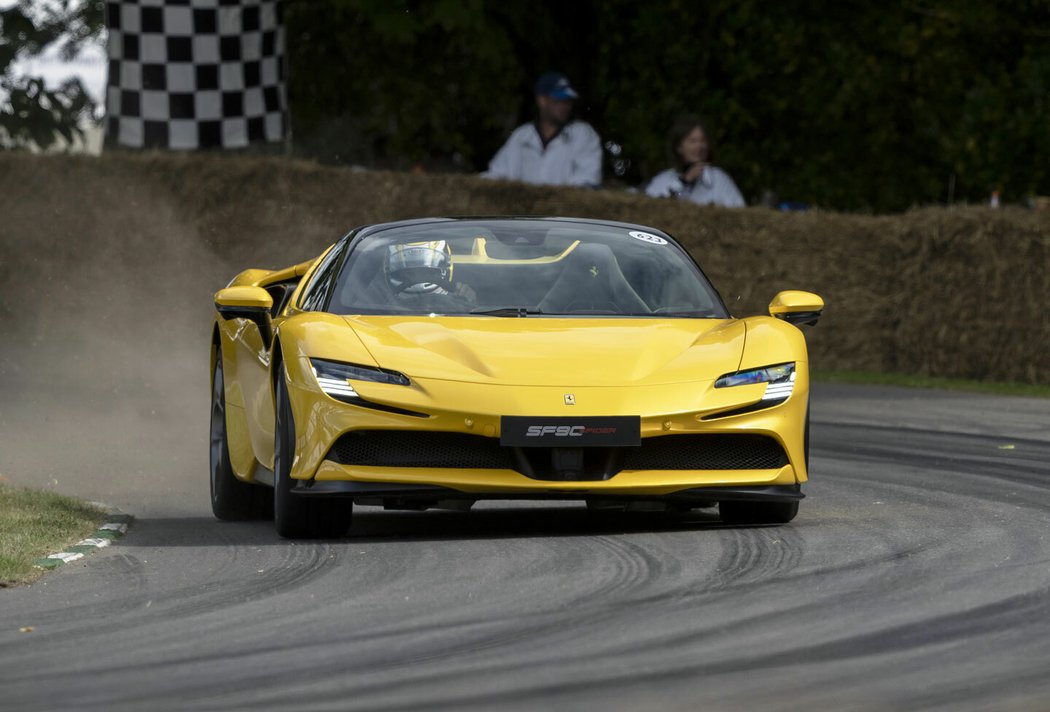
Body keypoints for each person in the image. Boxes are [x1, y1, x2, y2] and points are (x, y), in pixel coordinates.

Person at [482, 71, 602, 187]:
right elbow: (497, 174)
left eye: (568, 101)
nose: (565, 106)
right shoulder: (522, 135)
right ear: (542, 101)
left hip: (565, 207)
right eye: (559, 100)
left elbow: (587, 179)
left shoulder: (582, 134)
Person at [645, 116, 745, 207]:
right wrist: (684, 182)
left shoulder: (719, 179)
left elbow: (739, 210)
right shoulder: (664, 179)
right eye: (693, 141)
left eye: (703, 141)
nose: (699, 146)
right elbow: (652, 207)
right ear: (679, 147)